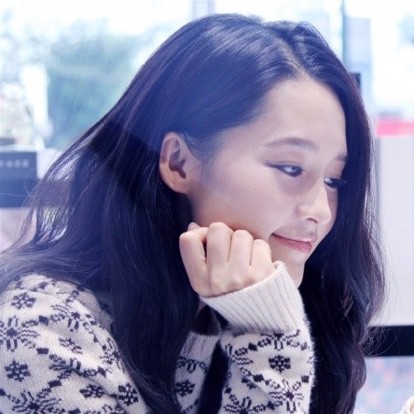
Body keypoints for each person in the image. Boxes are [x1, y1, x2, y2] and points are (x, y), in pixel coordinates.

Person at [0, 13, 384, 413]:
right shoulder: (44, 327)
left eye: (334, 180)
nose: (320, 211)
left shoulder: (252, 306)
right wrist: (270, 335)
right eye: (290, 168)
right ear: (178, 162)